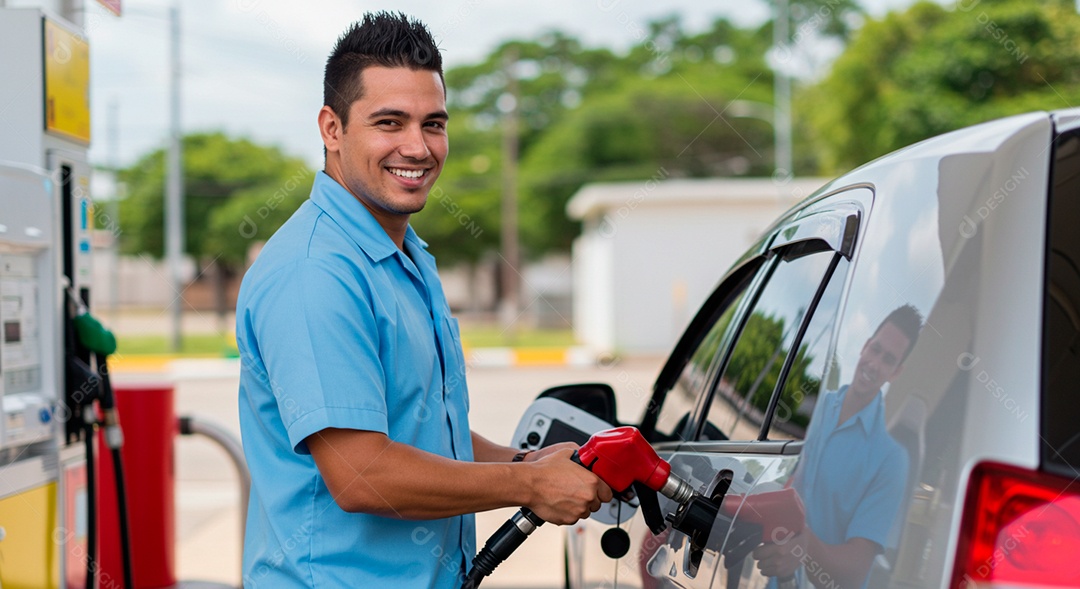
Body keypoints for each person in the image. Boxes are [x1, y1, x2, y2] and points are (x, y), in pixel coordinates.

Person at [235, 12, 612, 588]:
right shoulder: (315, 274)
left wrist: (525, 462)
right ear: (331, 128)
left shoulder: (402, 255)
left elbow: (424, 438)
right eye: (390, 122)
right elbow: (362, 474)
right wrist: (529, 486)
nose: (417, 147)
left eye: (432, 124)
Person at [753, 304, 922, 589]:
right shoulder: (818, 408)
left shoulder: (892, 460)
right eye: (876, 350)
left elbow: (856, 571)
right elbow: (792, 480)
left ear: (896, 371)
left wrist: (804, 546)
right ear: (865, 346)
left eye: (888, 359)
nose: (875, 363)